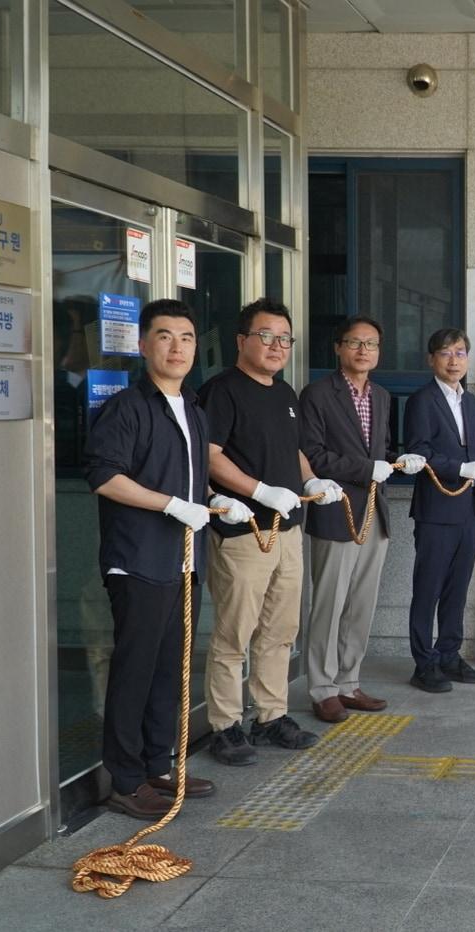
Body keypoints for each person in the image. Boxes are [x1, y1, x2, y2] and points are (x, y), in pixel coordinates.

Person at [84, 299, 250, 818]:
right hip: (139, 559)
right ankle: (126, 780)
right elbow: (105, 476)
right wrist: (171, 504)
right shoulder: (128, 407)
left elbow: (188, 478)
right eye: (165, 336)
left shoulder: (194, 409)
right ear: (143, 345)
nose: (176, 347)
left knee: (168, 671)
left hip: (183, 561)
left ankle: (160, 765)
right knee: (134, 670)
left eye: (186, 338)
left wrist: (211, 499)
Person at [200, 297, 345, 766]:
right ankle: (225, 725)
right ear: (242, 341)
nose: (276, 346)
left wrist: (311, 480)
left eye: (285, 338)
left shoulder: (285, 394)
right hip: (245, 532)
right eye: (266, 336)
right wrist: (259, 491)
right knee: (233, 633)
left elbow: (297, 450)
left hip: (287, 530)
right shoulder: (222, 390)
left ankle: (270, 716)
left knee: (281, 630)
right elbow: (211, 455)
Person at [299, 316, 426, 724]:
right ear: (338, 348)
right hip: (337, 510)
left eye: (371, 344)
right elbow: (313, 455)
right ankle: (322, 688)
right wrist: (364, 468)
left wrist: (396, 461)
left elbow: (380, 451)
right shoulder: (317, 394)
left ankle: (349, 681)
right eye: (355, 343)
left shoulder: (383, 396)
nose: (363, 351)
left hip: (375, 512)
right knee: (329, 604)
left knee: (361, 605)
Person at [404, 328, 475, 692]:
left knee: (457, 589)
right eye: (446, 353)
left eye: (460, 352)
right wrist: (458, 468)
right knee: (428, 589)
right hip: (436, 510)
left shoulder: (472, 402)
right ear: (431, 359)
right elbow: (419, 451)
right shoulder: (421, 400)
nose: (454, 360)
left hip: (468, 508)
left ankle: (450, 655)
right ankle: (424, 663)